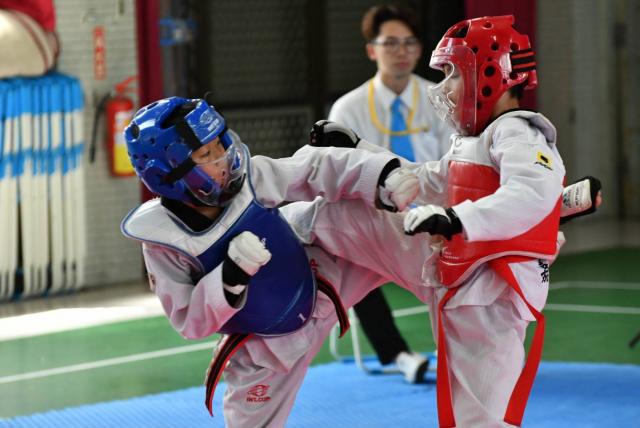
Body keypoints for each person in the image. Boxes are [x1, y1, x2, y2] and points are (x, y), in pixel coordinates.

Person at [305, 15, 601, 427]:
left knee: (479, 418)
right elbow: (427, 180)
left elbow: (530, 194)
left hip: (493, 293)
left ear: (492, 74)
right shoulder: (475, 139)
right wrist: (361, 150)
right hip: (460, 277)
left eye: (454, 74)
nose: (444, 87)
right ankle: (290, 227)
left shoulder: (520, 133)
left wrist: (455, 218)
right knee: (346, 217)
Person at [119, 96, 422, 427]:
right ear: (167, 174)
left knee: (394, 232)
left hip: (322, 280)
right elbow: (190, 321)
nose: (222, 159)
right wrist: (230, 277)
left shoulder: (251, 179)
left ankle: (448, 245)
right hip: (264, 350)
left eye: (220, 145)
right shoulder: (165, 242)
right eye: (206, 154)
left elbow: (312, 168)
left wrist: (381, 174)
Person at [327, 3, 454, 382]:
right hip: (375, 220)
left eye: (410, 43)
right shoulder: (347, 110)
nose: (402, 51)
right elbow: (339, 175)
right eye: (391, 43)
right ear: (372, 50)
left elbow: (455, 165)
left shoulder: (441, 99)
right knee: (348, 256)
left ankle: (457, 351)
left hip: (435, 217)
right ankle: (398, 355)